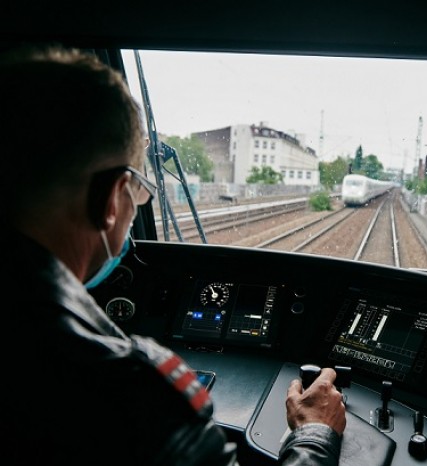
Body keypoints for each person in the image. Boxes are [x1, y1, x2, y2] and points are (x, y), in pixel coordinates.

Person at [0, 45, 345, 465]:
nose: (136, 206)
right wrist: (315, 435)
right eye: (140, 190)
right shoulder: (124, 389)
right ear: (111, 198)